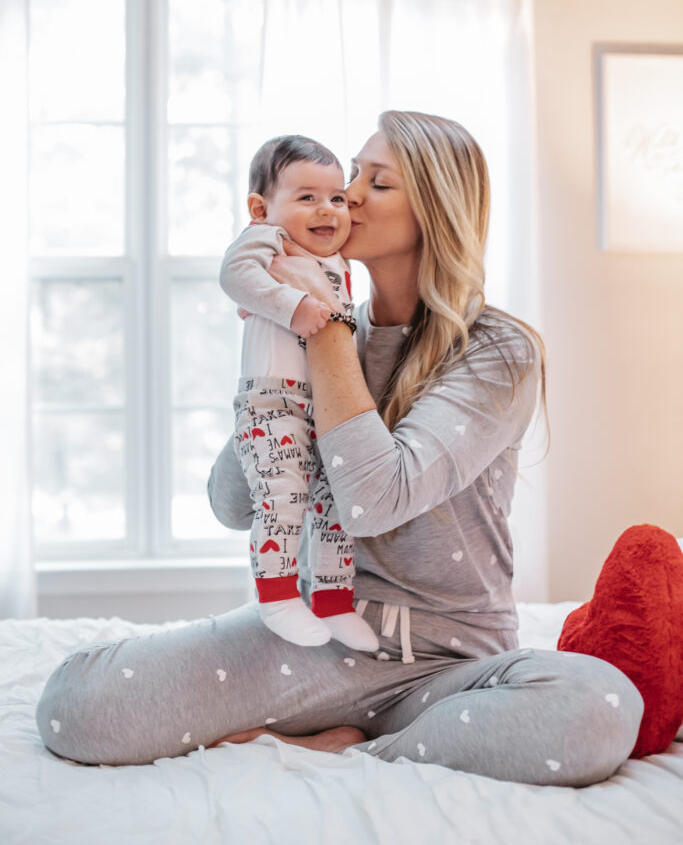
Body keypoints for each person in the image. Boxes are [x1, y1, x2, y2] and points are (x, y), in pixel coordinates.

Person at [35, 110, 644, 784]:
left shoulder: (497, 349)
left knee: (599, 704)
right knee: (77, 706)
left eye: (375, 182)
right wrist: (274, 352)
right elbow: (232, 504)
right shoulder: (308, 329)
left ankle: (351, 748)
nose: (347, 195)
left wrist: (321, 328)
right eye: (351, 173)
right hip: (316, 641)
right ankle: (368, 733)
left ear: (433, 209)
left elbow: (370, 502)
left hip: (453, 667)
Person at [219, 134, 378, 651]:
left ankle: (333, 600)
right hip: (271, 400)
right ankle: (277, 596)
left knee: (335, 507)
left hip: (321, 409)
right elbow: (234, 275)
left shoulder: (340, 266)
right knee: (282, 500)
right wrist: (290, 304)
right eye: (307, 197)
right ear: (261, 208)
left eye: (336, 197)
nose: (327, 209)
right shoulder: (264, 240)